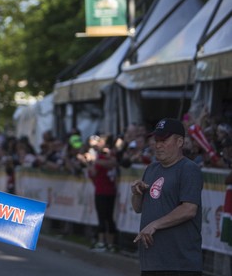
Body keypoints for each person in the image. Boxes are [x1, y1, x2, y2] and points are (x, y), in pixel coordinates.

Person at [131, 118, 203, 276]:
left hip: (179, 264)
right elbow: (138, 208)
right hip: (152, 262)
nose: (158, 145)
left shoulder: (189, 169)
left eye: (164, 140)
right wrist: (136, 194)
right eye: (156, 140)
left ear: (179, 142)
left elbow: (189, 209)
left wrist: (155, 224)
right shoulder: (151, 168)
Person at [86, 134, 118, 252]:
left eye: (100, 141)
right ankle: (103, 242)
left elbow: (112, 163)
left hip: (107, 190)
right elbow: (92, 173)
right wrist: (90, 162)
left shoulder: (108, 154)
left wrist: (95, 161)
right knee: (103, 217)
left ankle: (107, 243)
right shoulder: (99, 156)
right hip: (101, 189)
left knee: (107, 217)